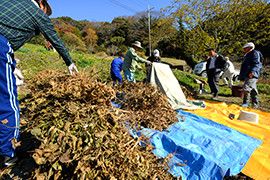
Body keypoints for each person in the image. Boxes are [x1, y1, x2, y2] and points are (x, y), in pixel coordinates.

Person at [0, 0, 78, 166]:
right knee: (8, 101)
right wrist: (70, 63)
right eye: (45, 10)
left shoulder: (9, 1)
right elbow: (55, 38)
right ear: (41, 3)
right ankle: (8, 154)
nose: (44, 14)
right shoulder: (36, 13)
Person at [239, 42, 263, 108]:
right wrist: (242, 76)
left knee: (246, 88)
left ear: (251, 47)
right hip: (248, 74)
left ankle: (245, 103)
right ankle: (255, 104)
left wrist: (252, 71)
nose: (244, 49)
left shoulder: (254, 53)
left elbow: (256, 63)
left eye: (246, 48)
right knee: (253, 90)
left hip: (252, 74)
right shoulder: (247, 55)